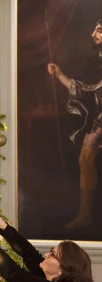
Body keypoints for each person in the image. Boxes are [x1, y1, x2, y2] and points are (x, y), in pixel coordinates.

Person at [47, 17, 102, 229]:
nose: (93, 35)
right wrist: (60, 75)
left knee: (86, 159)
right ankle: (85, 216)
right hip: (99, 119)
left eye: (99, 30)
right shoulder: (96, 61)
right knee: (85, 159)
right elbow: (85, 89)